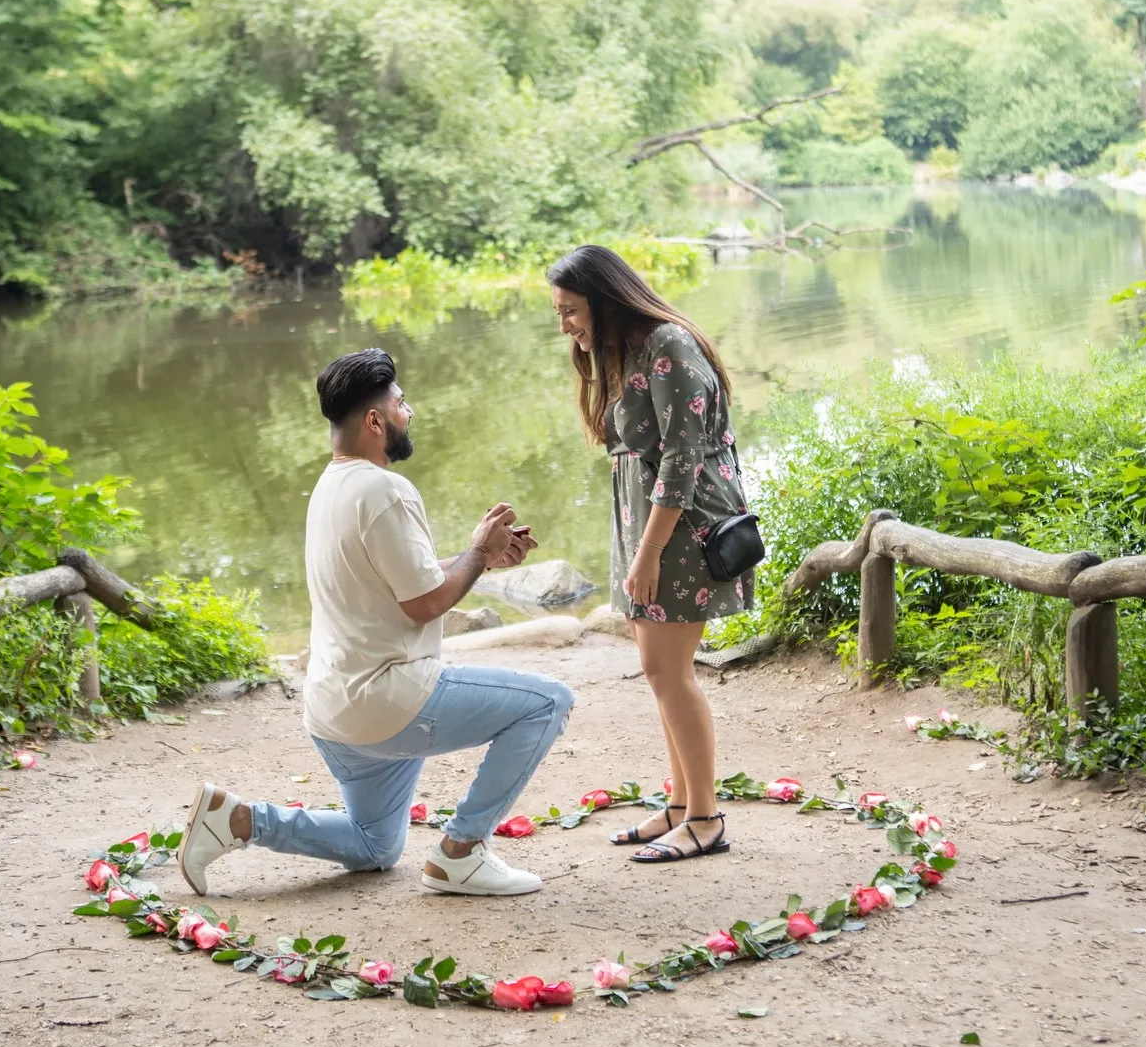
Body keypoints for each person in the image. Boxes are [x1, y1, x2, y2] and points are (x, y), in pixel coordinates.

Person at [178, 348, 574, 897]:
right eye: (402, 403)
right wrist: (477, 555)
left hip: (333, 712)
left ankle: (239, 819)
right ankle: (462, 851)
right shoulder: (386, 489)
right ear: (374, 420)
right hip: (389, 704)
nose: (409, 413)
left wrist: (476, 557)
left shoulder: (330, 487)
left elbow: (400, 579)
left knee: (374, 845)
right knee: (548, 701)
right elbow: (425, 605)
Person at [547, 245, 753, 864]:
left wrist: (649, 555)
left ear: (606, 301)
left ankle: (706, 818)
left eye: (572, 311)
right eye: (558, 314)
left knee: (671, 673)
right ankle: (680, 804)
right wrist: (639, 549)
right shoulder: (623, 352)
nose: (565, 326)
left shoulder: (669, 345)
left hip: (680, 531)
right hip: (649, 529)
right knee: (661, 674)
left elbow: (683, 460)